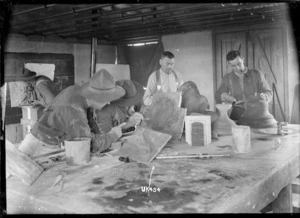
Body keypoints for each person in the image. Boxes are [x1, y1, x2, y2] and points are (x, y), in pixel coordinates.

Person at [17, 69, 126, 157]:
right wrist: (113, 135)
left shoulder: (77, 92)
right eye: (106, 98)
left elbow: (90, 124)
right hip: (39, 148)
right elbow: (89, 145)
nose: (108, 102)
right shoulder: (74, 111)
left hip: (45, 140)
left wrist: (104, 136)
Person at [215, 50, 273, 120]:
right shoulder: (228, 78)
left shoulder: (256, 74)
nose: (237, 68)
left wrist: (265, 96)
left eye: (239, 64)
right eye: (233, 66)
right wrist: (225, 96)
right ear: (229, 64)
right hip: (237, 116)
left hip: (256, 115)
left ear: (243, 59)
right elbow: (217, 95)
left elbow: (268, 92)